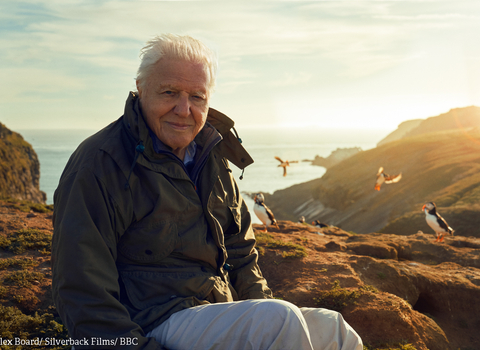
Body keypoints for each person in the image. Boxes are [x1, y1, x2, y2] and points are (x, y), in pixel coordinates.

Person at [51, 33, 363, 350]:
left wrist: (258, 308)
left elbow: (242, 253)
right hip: (150, 323)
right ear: (141, 88)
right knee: (277, 321)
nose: (184, 109)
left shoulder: (212, 157)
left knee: (333, 329)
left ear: (208, 99)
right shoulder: (99, 165)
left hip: (213, 308)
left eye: (197, 97)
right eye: (169, 92)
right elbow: (81, 287)